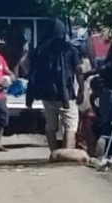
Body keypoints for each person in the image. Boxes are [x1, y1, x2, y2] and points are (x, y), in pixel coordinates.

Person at [26, 19, 84, 151]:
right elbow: (79, 71)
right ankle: (67, 153)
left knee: (51, 126)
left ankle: (54, 153)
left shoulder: (41, 49)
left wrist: (30, 95)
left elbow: (33, 72)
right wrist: (81, 89)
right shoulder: (69, 49)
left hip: (47, 94)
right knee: (70, 125)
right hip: (66, 94)